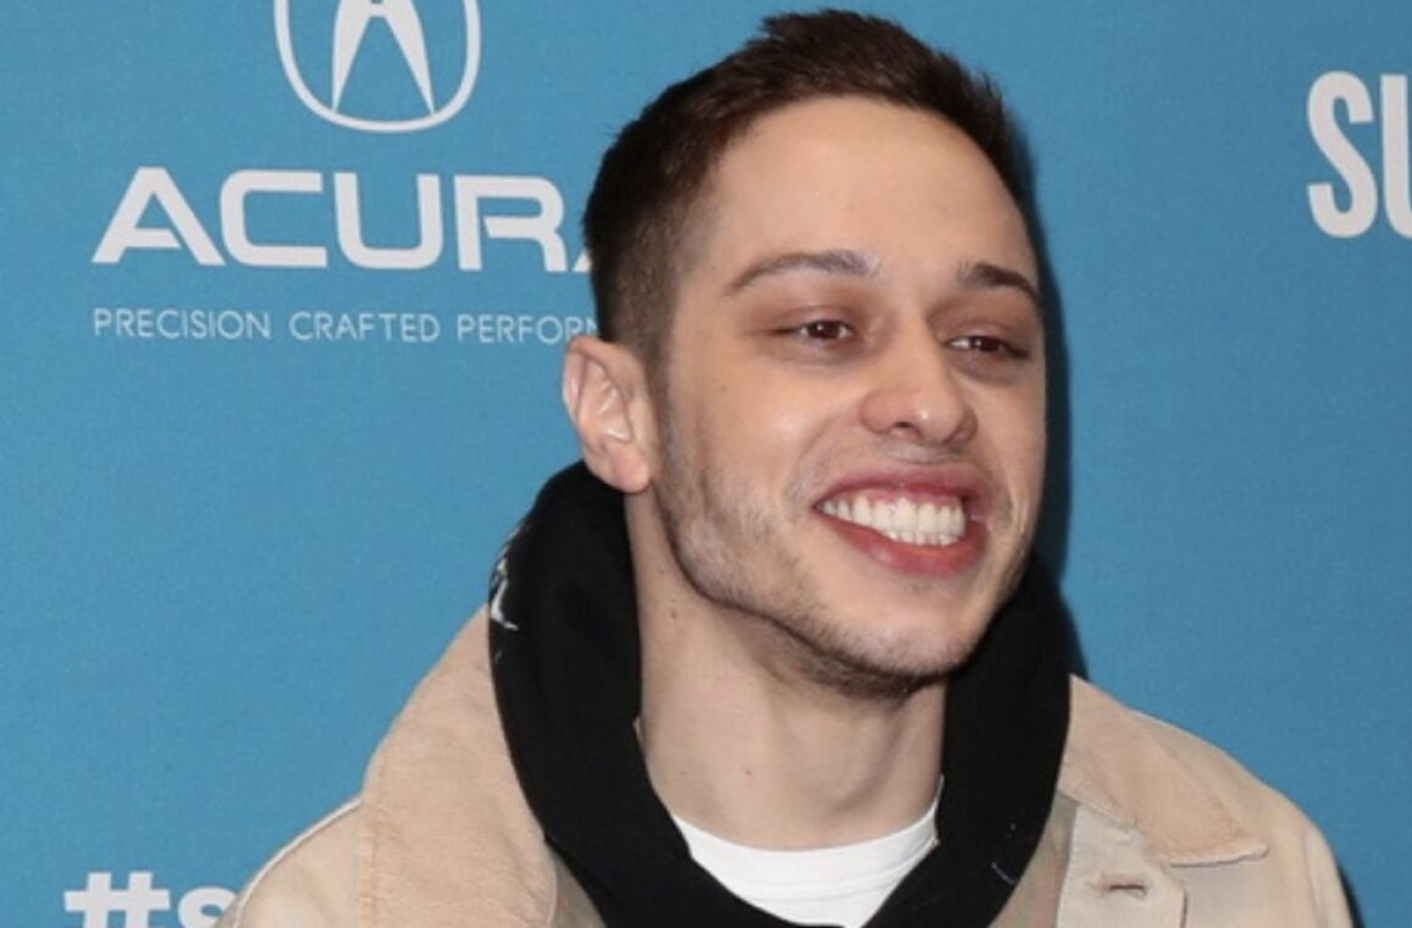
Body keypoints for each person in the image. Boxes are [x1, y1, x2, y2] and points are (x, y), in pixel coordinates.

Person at [217, 10, 1353, 927]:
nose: (932, 402)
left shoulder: (1251, 888)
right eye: (822, 328)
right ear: (618, 413)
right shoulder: (339, 913)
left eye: (985, 341)